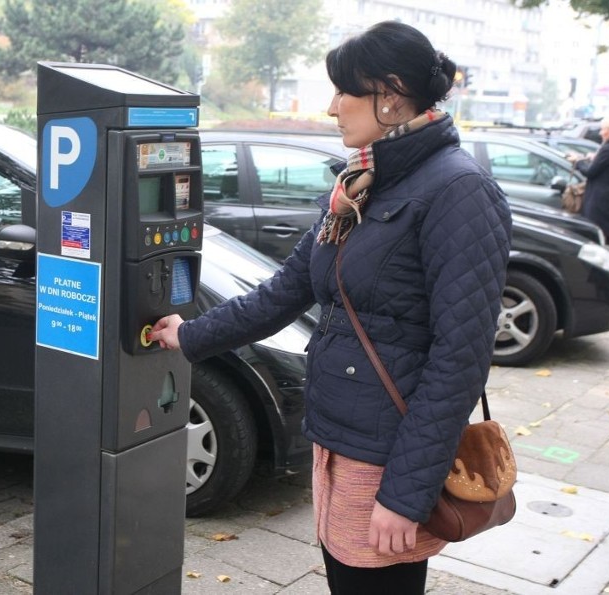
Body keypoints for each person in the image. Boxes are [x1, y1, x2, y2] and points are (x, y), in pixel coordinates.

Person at [150, 21, 512, 594]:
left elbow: (460, 358)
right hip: (340, 441)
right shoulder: (362, 185)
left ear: (389, 95)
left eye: (344, 91)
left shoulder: (458, 190)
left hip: (390, 459)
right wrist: (190, 335)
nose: (330, 107)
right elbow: (286, 291)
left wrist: (406, 494)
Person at [570, 116, 609, 285]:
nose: (600, 132)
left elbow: (591, 172)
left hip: (601, 202)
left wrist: (577, 162)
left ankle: (594, 277)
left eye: (603, 129)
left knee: (596, 238)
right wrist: (595, 157)